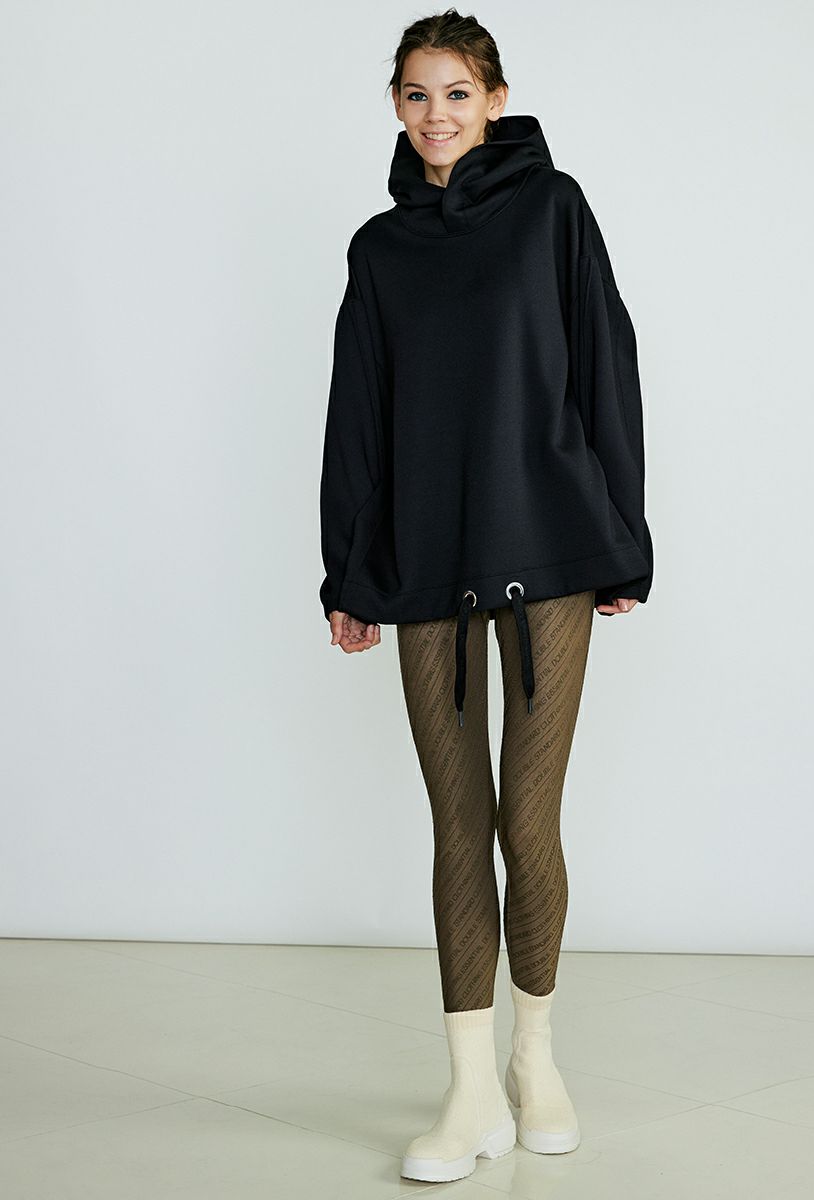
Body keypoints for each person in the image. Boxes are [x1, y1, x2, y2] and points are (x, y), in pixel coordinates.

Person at [318, 8, 654, 1185]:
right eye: (416, 94)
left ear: (495, 100)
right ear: (395, 105)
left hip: (550, 549)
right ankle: (467, 1094)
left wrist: (623, 541)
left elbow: (605, 368)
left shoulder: (553, 211)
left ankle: (534, 1060)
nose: (436, 115)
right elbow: (357, 417)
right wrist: (349, 570)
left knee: (527, 822)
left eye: (456, 93)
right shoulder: (379, 249)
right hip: (425, 560)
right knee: (457, 825)